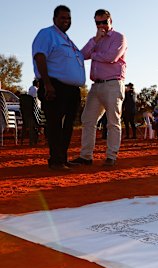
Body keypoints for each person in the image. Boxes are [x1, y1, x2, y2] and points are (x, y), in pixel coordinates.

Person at [32, 5, 86, 171]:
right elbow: (40, 56)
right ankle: (55, 161)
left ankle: (63, 158)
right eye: (63, 18)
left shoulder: (68, 41)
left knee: (68, 125)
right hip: (55, 86)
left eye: (69, 18)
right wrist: (47, 84)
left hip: (71, 90)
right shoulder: (47, 34)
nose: (66, 21)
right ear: (54, 19)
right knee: (55, 124)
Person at [71, 9, 127, 167]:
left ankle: (111, 156)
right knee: (88, 120)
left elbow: (111, 57)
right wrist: (95, 41)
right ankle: (86, 156)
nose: (102, 25)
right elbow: (81, 55)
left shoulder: (119, 38)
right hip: (96, 86)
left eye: (104, 22)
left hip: (113, 84)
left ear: (111, 21)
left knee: (113, 121)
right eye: (98, 23)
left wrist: (94, 55)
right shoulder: (95, 39)